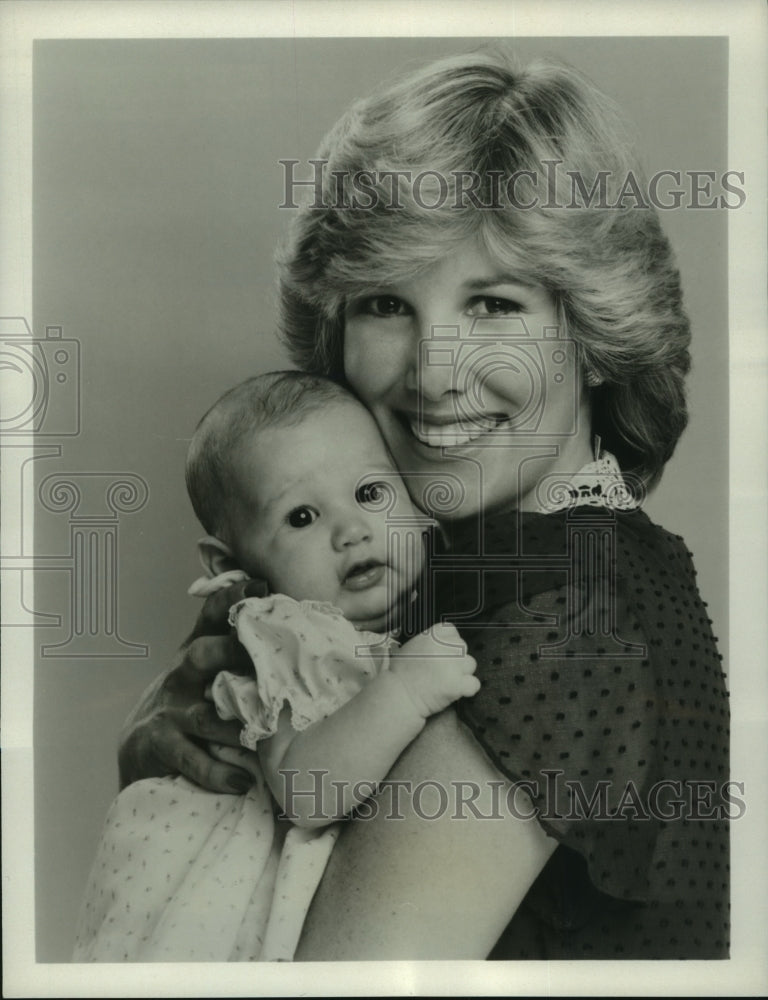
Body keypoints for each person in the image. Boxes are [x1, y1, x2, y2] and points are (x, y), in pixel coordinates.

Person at [116, 47, 730, 959]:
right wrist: (182, 761)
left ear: (594, 332)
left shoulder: (566, 617)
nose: (435, 372)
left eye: (492, 305)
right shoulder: (460, 577)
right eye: (384, 304)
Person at [72, 371, 479, 962]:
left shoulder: (415, 609)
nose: (351, 531)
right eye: (301, 517)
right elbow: (306, 792)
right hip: (234, 877)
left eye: (370, 493)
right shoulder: (287, 634)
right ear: (230, 562)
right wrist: (406, 691)